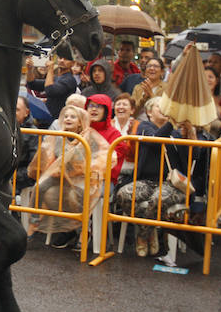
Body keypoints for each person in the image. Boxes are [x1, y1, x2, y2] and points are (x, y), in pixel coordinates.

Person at [113, 97, 211, 257]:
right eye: (161, 108)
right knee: (123, 195)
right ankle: (151, 233)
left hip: (171, 183)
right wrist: (172, 123)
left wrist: (190, 137)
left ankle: (143, 235)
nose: (166, 111)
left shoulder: (176, 133)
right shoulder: (144, 127)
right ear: (149, 112)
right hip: (146, 180)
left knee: (157, 199)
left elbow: (194, 157)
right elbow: (155, 141)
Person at [25, 105, 112, 250]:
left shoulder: (89, 136)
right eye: (66, 116)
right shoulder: (58, 136)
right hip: (61, 176)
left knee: (76, 197)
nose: (68, 119)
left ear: (80, 122)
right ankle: (34, 222)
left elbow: (101, 158)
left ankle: (84, 231)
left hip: (84, 179)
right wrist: (53, 169)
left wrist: (74, 170)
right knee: (39, 186)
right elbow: (51, 156)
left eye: (72, 117)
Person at [85, 94, 128, 187]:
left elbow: (111, 164)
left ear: (106, 111)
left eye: (99, 106)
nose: (94, 109)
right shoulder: (80, 129)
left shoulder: (115, 135)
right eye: (91, 106)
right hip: (78, 178)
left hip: (103, 181)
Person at [26, 55, 79, 120]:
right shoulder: (56, 78)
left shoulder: (70, 80)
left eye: (66, 59)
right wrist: (29, 69)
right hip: (47, 119)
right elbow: (32, 84)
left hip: (58, 121)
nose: (62, 60)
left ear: (73, 63)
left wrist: (50, 70)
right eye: (60, 58)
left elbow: (50, 91)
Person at [111, 93, 140, 187]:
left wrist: (130, 135)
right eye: (118, 104)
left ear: (132, 110)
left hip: (130, 168)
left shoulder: (138, 126)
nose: (121, 107)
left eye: (124, 104)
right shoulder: (108, 125)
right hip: (111, 167)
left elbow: (137, 152)